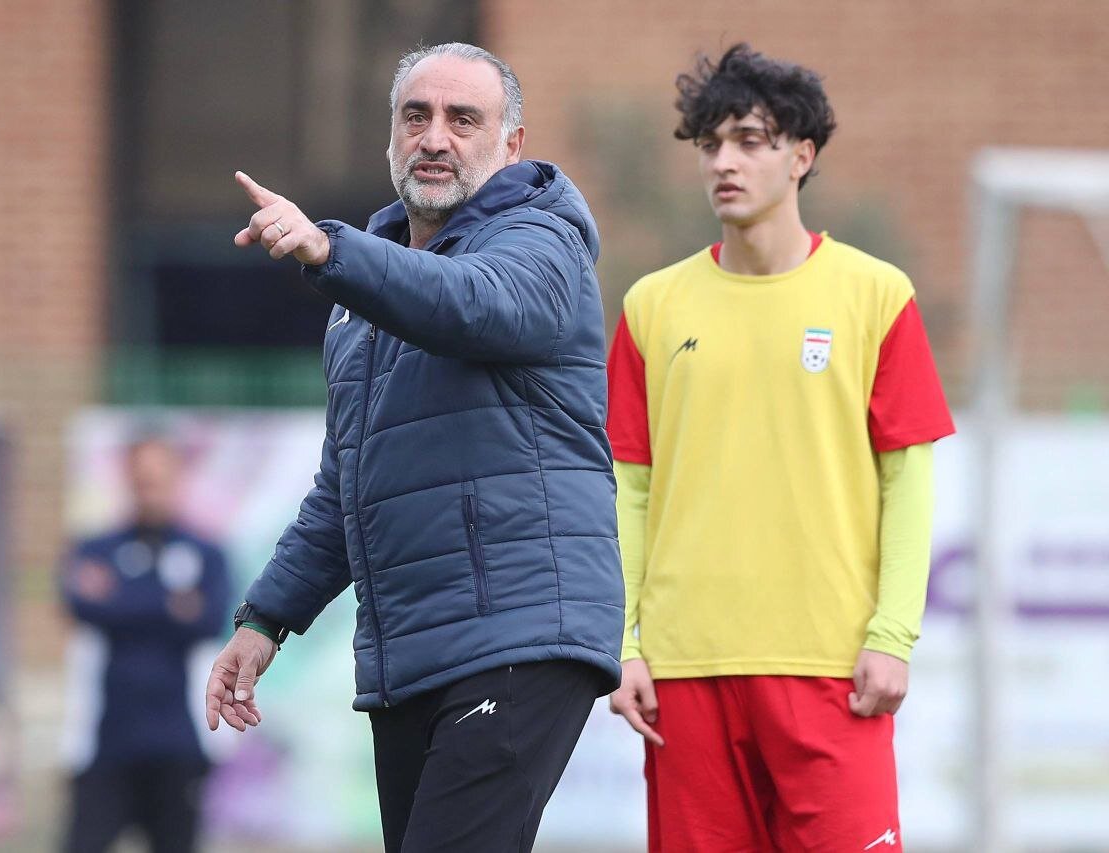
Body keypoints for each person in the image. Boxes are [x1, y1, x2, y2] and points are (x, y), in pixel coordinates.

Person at [204, 42, 623, 852]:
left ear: (511, 145)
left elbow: (470, 302)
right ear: (391, 136)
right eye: (416, 116)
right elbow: (346, 485)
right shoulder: (363, 301)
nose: (435, 137)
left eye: (463, 119)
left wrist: (332, 252)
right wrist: (265, 619)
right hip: (411, 654)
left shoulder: (543, 243)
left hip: (520, 634)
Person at [605, 44, 956, 852]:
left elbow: (907, 479)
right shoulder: (651, 305)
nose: (723, 162)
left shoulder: (877, 295)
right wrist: (621, 645)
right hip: (685, 673)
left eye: (750, 140)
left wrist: (891, 635)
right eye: (710, 144)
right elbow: (629, 489)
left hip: (833, 669)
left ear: (801, 155)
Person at [59, 434, 232, 853]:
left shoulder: (205, 553)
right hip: (107, 743)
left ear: (177, 478)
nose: (149, 487)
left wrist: (120, 597)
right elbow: (80, 604)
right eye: (141, 478)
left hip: (178, 742)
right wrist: (171, 605)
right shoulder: (97, 547)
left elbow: (211, 619)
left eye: (158, 477)